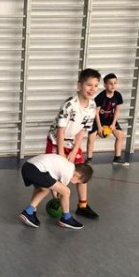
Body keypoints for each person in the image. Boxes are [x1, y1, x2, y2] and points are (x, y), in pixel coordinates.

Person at [46, 68, 100, 220]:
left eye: (96, 85)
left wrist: (75, 149)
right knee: (56, 174)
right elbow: (61, 131)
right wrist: (61, 153)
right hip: (57, 141)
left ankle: (83, 206)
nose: (92, 89)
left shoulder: (92, 106)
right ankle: (57, 202)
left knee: (82, 172)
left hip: (73, 143)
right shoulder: (69, 105)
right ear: (79, 85)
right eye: (89, 85)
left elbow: (82, 130)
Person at [19, 153, 93, 230]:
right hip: (35, 170)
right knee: (66, 191)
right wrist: (57, 200)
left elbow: (53, 186)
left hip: (27, 166)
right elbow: (60, 193)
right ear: (77, 175)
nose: (75, 183)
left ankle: (30, 211)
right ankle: (66, 218)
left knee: (44, 189)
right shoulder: (69, 172)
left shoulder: (66, 164)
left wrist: (55, 197)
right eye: (78, 182)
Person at [87, 73, 129, 166]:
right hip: (98, 119)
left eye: (115, 83)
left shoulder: (118, 95)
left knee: (120, 135)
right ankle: (89, 159)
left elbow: (117, 110)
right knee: (91, 138)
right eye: (110, 83)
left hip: (110, 119)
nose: (113, 85)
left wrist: (113, 124)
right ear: (105, 85)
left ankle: (117, 158)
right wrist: (99, 127)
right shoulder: (100, 97)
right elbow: (96, 113)